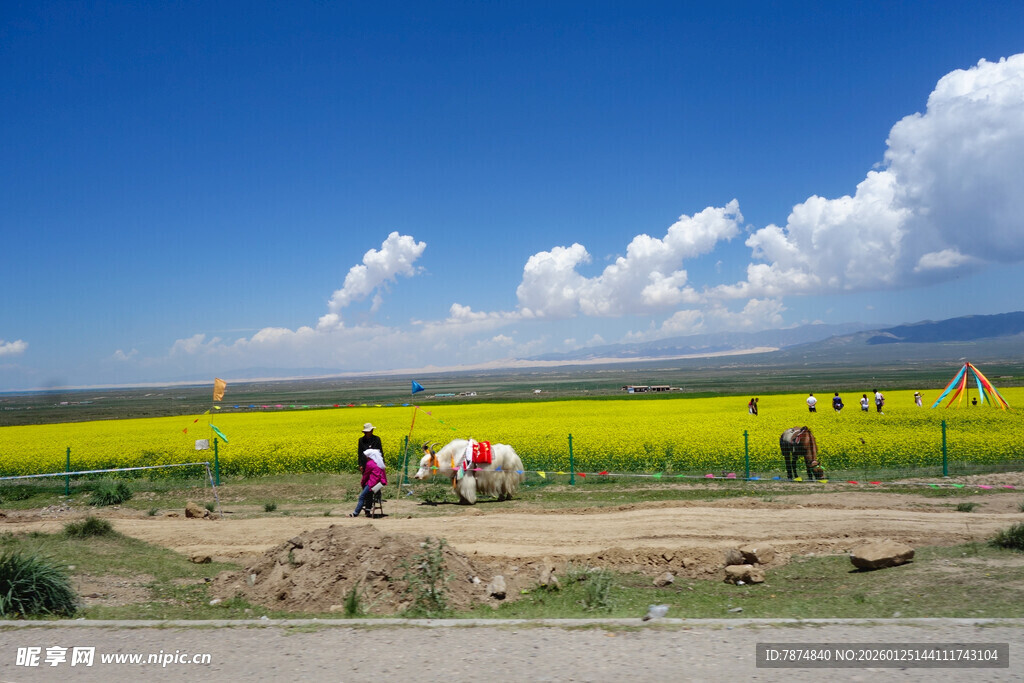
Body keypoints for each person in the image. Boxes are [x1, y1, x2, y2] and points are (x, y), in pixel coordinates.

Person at [350, 448, 387, 518]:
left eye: (367, 456)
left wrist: (362, 483)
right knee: (369, 495)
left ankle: (355, 513)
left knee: (362, 496)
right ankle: (367, 511)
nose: (366, 457)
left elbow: (366, 475)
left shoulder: (370, 464)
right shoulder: (379, 463)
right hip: (379, 485)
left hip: (372, 484)